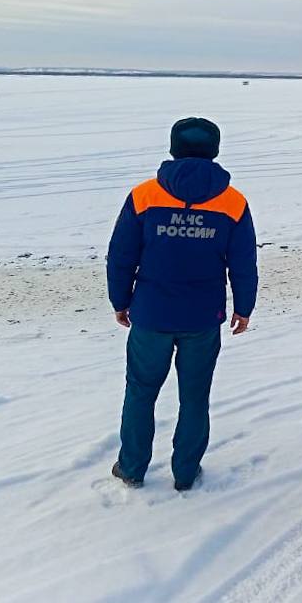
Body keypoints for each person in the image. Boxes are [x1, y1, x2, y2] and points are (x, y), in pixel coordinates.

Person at [105, 117, 258, 490]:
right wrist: (244, 307)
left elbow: (121, 255)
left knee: (140, 392)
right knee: (195, 395)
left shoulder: (144, 195)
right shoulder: (232, 201)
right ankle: (185, 473)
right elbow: (243, 261)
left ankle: (131, 468)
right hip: (202, 317)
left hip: (151, 314)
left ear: (173, 148)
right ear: (215, 150)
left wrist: (120, 300)